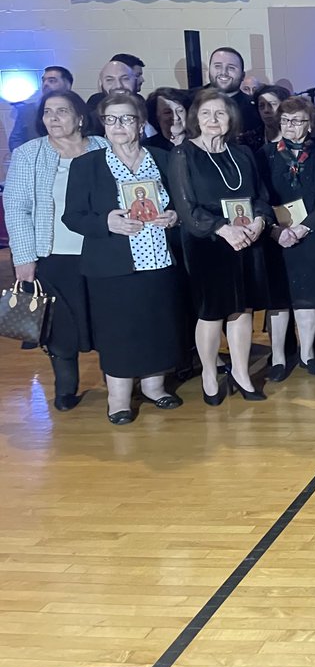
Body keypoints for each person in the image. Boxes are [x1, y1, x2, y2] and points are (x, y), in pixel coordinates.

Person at [62, 92, 185, 425]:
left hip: (159, 259)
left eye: (126, 118)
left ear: (140, 122)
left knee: (157, 326)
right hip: (112, 265)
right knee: (118, 332)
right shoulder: (87, 164)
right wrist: (107, 222)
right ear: (102, 124)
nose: (118, 126)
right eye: (110, 119)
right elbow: (72, 217)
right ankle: (118, 401)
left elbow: (181, 204)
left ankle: (154, 387)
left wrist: (174, 216)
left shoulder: (164, 157)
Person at [3, 90, 107, 411]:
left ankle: (118, 385)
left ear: (80, 117)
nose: (53, 118)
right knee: (60, 328)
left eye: (62, 111)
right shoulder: (28, 154)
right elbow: (16, 208)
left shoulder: (104, 148)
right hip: (52, 255)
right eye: (48, 112)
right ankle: (65, 389)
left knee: (106, 320)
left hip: (101, 252)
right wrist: (23, 258)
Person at [169, 88, 273, 405]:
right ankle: (210, 374)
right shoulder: (183, 154)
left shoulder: (242, 154)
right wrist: (222, 229)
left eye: (220, 113)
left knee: (243, 310)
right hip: (208, 242)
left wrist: (259, 223)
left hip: (247, 240)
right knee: (212, 312)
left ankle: (241, 373)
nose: (214, 120)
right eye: (206, 114)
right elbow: (186, 209)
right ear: (195, 119)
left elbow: (261, 198)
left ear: (231, 118)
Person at [259, 96, 315, 378]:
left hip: (310, 236)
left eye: (299, 121)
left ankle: (308, 354)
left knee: (308, 299)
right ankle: (278, 357)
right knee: (279, 301)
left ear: (311, 124)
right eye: (287, 121)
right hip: (275, 238)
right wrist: (276, 231)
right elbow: (259, 198)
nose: (292, 126)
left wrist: (303, 228)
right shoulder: (264, 155)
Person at [204, 48, 263, 148]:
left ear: (243, 75)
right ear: (209, 70)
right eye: (217, 66)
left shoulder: (256, 108)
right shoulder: (191, 101)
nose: (223, 72)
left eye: (231, 68)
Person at [9, 67, 75, 153]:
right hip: (34, 161)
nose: (46, 84)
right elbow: (16, 140)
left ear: (67, 85)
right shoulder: (27, 111)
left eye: (52, 81)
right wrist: (25, 157)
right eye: (44, 81)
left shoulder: (77, 109)